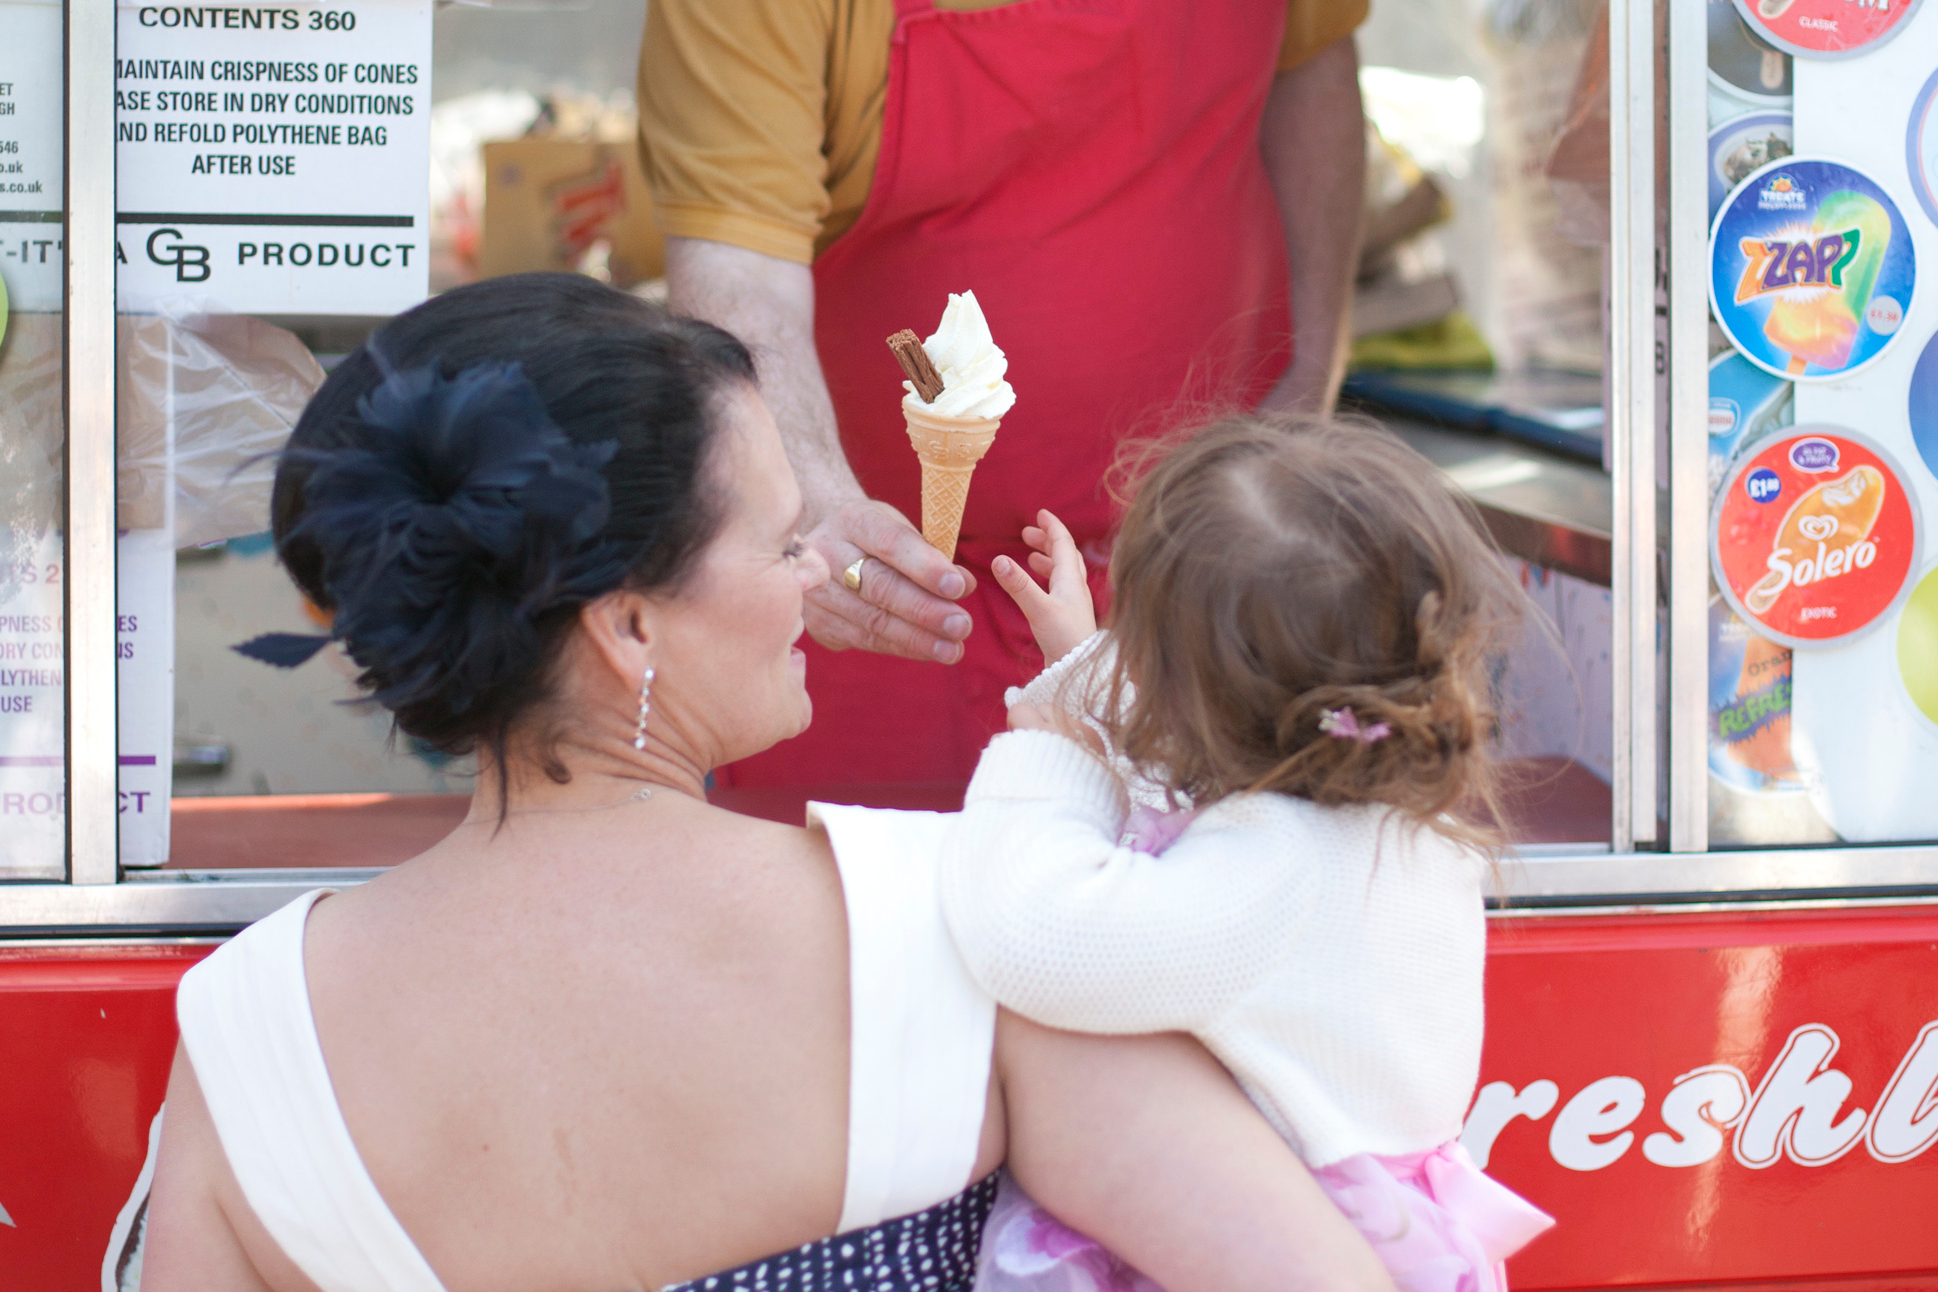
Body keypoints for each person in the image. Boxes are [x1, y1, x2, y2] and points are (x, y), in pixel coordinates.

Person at [137, 276, 1396, 1292]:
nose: (814, 577)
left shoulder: (248, 1034)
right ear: (625, 625)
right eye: (784, 539)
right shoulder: (962, 927)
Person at [638, 0, 1370, 788]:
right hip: (887, 604)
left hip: (1207, 586)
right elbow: (738, 271)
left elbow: (1312, 62)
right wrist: (818, 509)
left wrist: (1312, 373)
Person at [941, 419, 1558, 1291]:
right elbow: (1199, 754)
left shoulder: (1277, 872)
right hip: (1379, 1230)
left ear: (1183, 688)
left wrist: (1052, 762)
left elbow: (1035, 936)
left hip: (1256, 1246)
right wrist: (1085, 662)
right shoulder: (1394, 820)